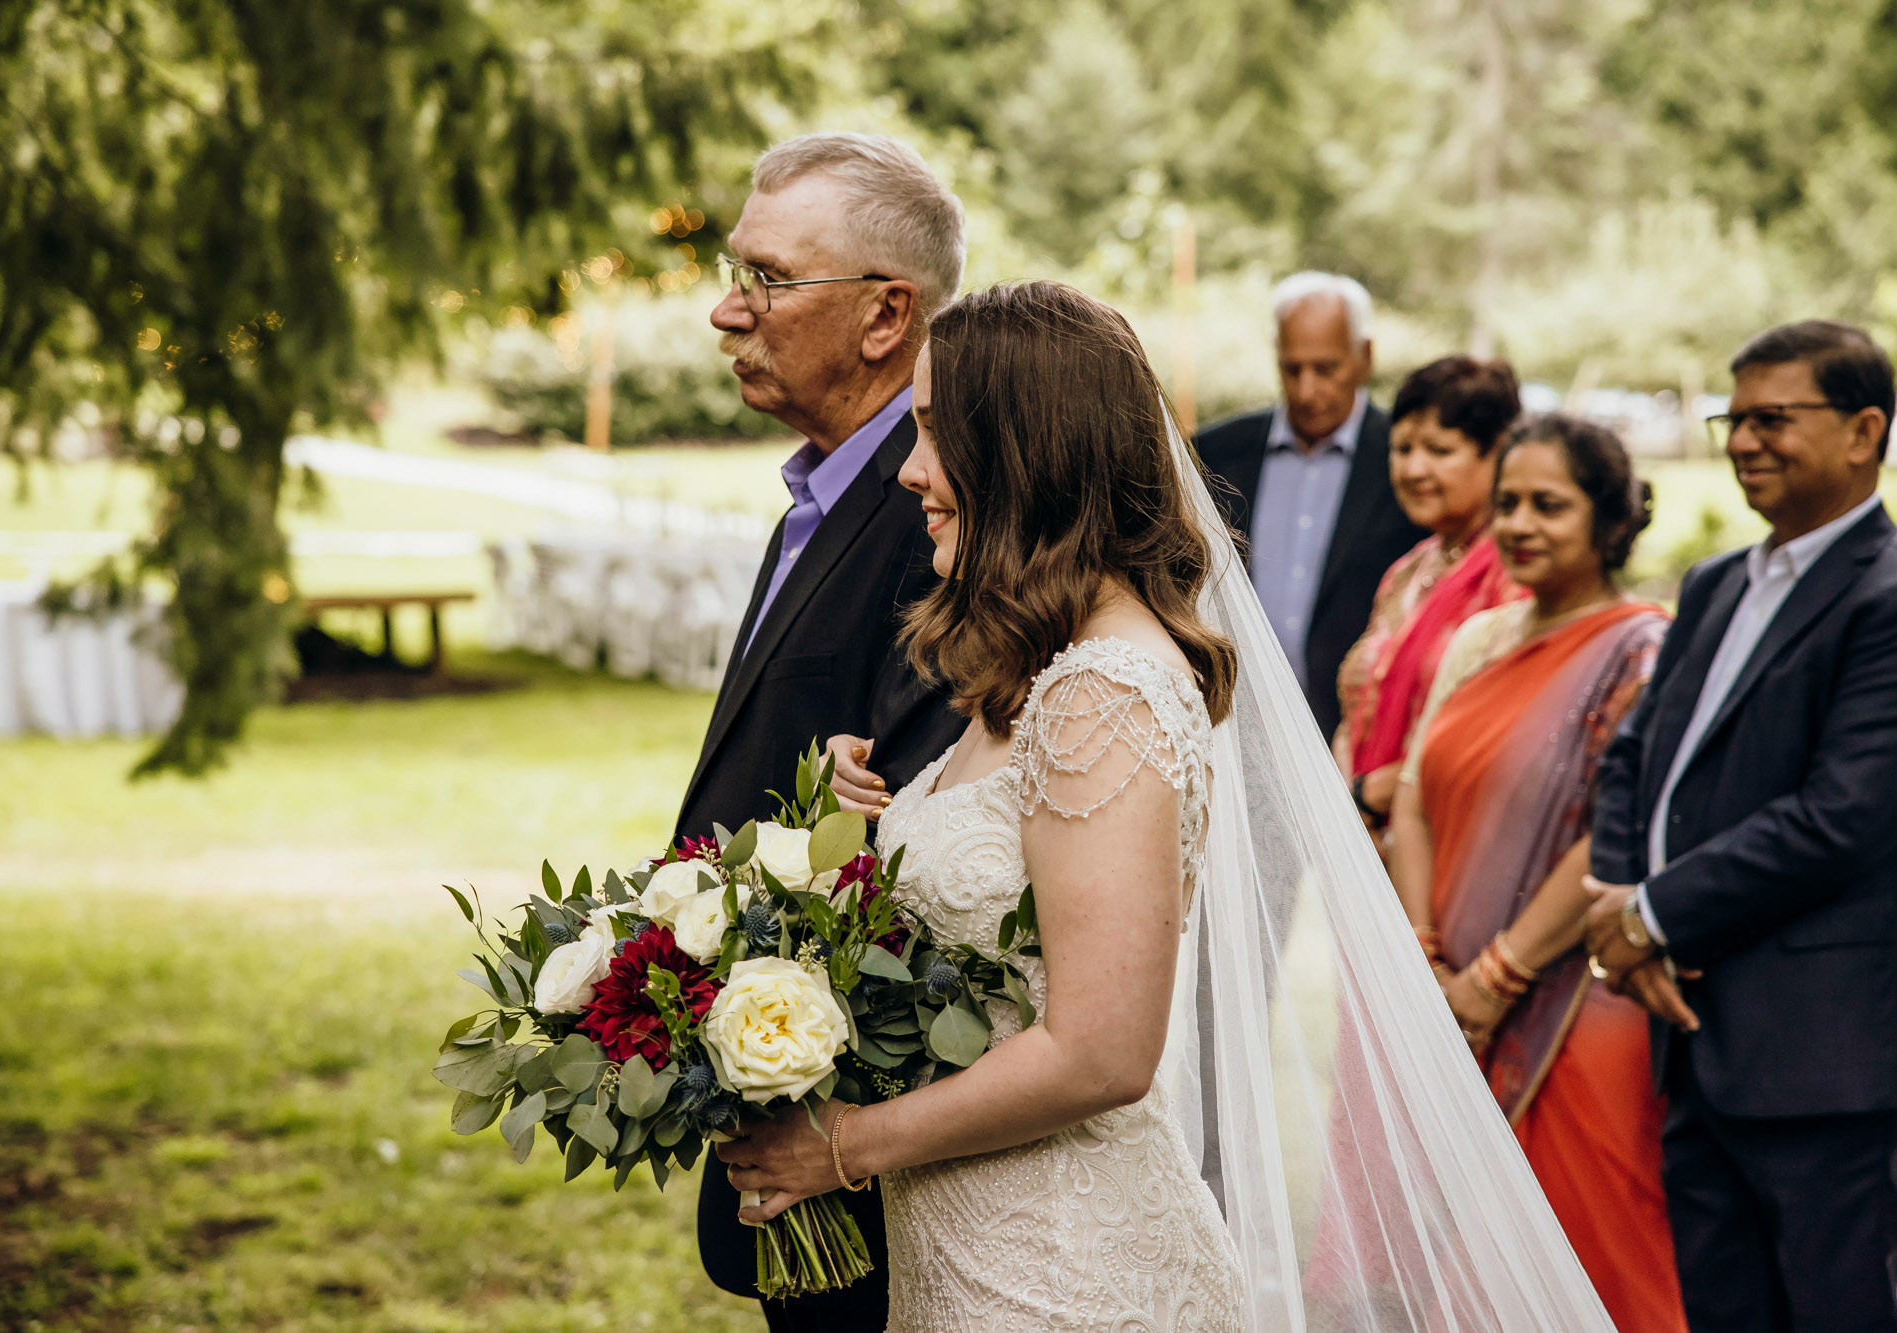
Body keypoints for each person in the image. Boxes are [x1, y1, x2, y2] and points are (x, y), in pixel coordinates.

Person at [720, 281, 1624, 1332]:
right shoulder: (1038, 665)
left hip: (1064, 1279)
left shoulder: (1105, 689)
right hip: (971, 1253)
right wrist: (848, 826)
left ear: (1023, 449)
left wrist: (839, 1147)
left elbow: (1101, 1051)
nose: (911, 470)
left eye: (931, 433)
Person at [1583, 320, 1897, 1333]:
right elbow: (1633, 758)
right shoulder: (1716, 584)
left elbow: (1840, 818)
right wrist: (1617, 906)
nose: (1742, 440)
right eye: (1732, 418)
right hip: (1694, 1036)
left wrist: (1652, 915)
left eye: (1771, 418)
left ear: (1862, 431)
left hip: (1823, 1054)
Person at [678, 131, 967, 1332]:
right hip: (779, 1112)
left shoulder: (932, 520)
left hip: (869, 1151)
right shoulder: (823, 487)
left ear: (884, 316)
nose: (723, 310)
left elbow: (924, 846)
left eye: (767, 278)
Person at [1389, 415, 1682, 1332]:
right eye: (1509, 502)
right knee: (1474, 1268)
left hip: (1574, 1010)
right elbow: (1414, 798)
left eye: (1549, 505)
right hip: (1450, 1000)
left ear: (1610, 520)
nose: (1519, 524)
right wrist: (1429, 962)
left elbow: (1615, 834)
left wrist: (1495, 977)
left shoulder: (1643, 648)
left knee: (1588, 1254)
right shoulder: (1481, 640)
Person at [1195, 272, 1426, 739]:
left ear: (1364, 357)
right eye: (1291, 368)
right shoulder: (1214, 454)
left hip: (1350, 738)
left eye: (1326, 369)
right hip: (1232, 730)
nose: (1305, 390)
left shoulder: (1405, 463)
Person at [1334, 355, 1527, 843]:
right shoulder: (1407, 571)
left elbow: (1502, 735)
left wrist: (1374, 795)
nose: (1414, 469)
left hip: (1453, 841)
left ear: (1499, 453)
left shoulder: (1513, 578)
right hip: (1365, 843)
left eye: (1439, 450)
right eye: (1402, 448)